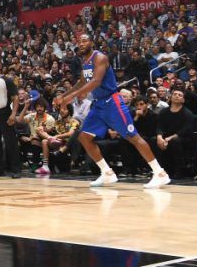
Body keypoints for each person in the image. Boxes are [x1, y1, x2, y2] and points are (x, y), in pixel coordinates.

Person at [53, 33, 170, 189]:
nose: (81, 43)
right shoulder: (85, 61)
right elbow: (82, 82)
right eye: (78, 41)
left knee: (132, 136)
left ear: (91, 43)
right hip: (98, 104)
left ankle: (160, 173)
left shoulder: (99, 58)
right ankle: (107, 172)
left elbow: (96, 81)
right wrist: (63, 95)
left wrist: (72, 97)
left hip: (112, 102)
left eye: (84, 40)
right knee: (84, 137)